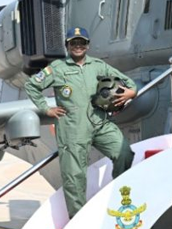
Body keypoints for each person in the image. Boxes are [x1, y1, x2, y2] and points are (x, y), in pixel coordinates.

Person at [24, 27, 137, 218]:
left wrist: (131, 92)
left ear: (88, 45)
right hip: (72, 128)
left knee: (123, 152)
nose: (78, 46)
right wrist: (46, 109)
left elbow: (127, 82)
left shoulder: (98, 65)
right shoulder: (57, 68)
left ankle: (118, 198)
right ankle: (78, 220)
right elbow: (32, 85)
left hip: (100, 123)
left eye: (82, 42)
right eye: (73, 43)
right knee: (74, 176)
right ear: (67, 45)